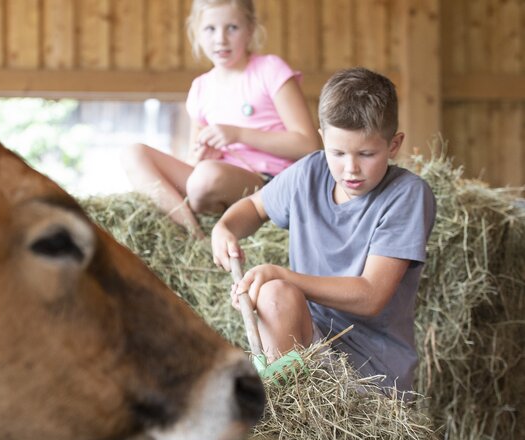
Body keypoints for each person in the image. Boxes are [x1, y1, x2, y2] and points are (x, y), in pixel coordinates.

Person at [211, 67, 437, 395]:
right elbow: (254, 208)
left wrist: (284, 275)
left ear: (394, 145)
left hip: (371, 372)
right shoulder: (310, 173)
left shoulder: (406, 195)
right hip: (310, 343)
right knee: (274, 294)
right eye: (338, 152)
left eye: (366, 154)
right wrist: (225, 228)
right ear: (322, 139)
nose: (350, 168)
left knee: (277, 285)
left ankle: (287, 403)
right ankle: (286, 407)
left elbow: (371, 296)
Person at [122, 0, 320, 237]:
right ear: (196, 33)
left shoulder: (270, 70)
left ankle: (197, 226)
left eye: (232, 28)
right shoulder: (200, 88)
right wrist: (199, 156)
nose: (221, 39)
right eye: (210, 29)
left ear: (250, 29)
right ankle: (193, 236)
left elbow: (310, 145)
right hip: (210, 180)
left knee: (206, 177)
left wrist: (238, 134)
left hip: (268, 183)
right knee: (133, 153)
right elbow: (193, 161)